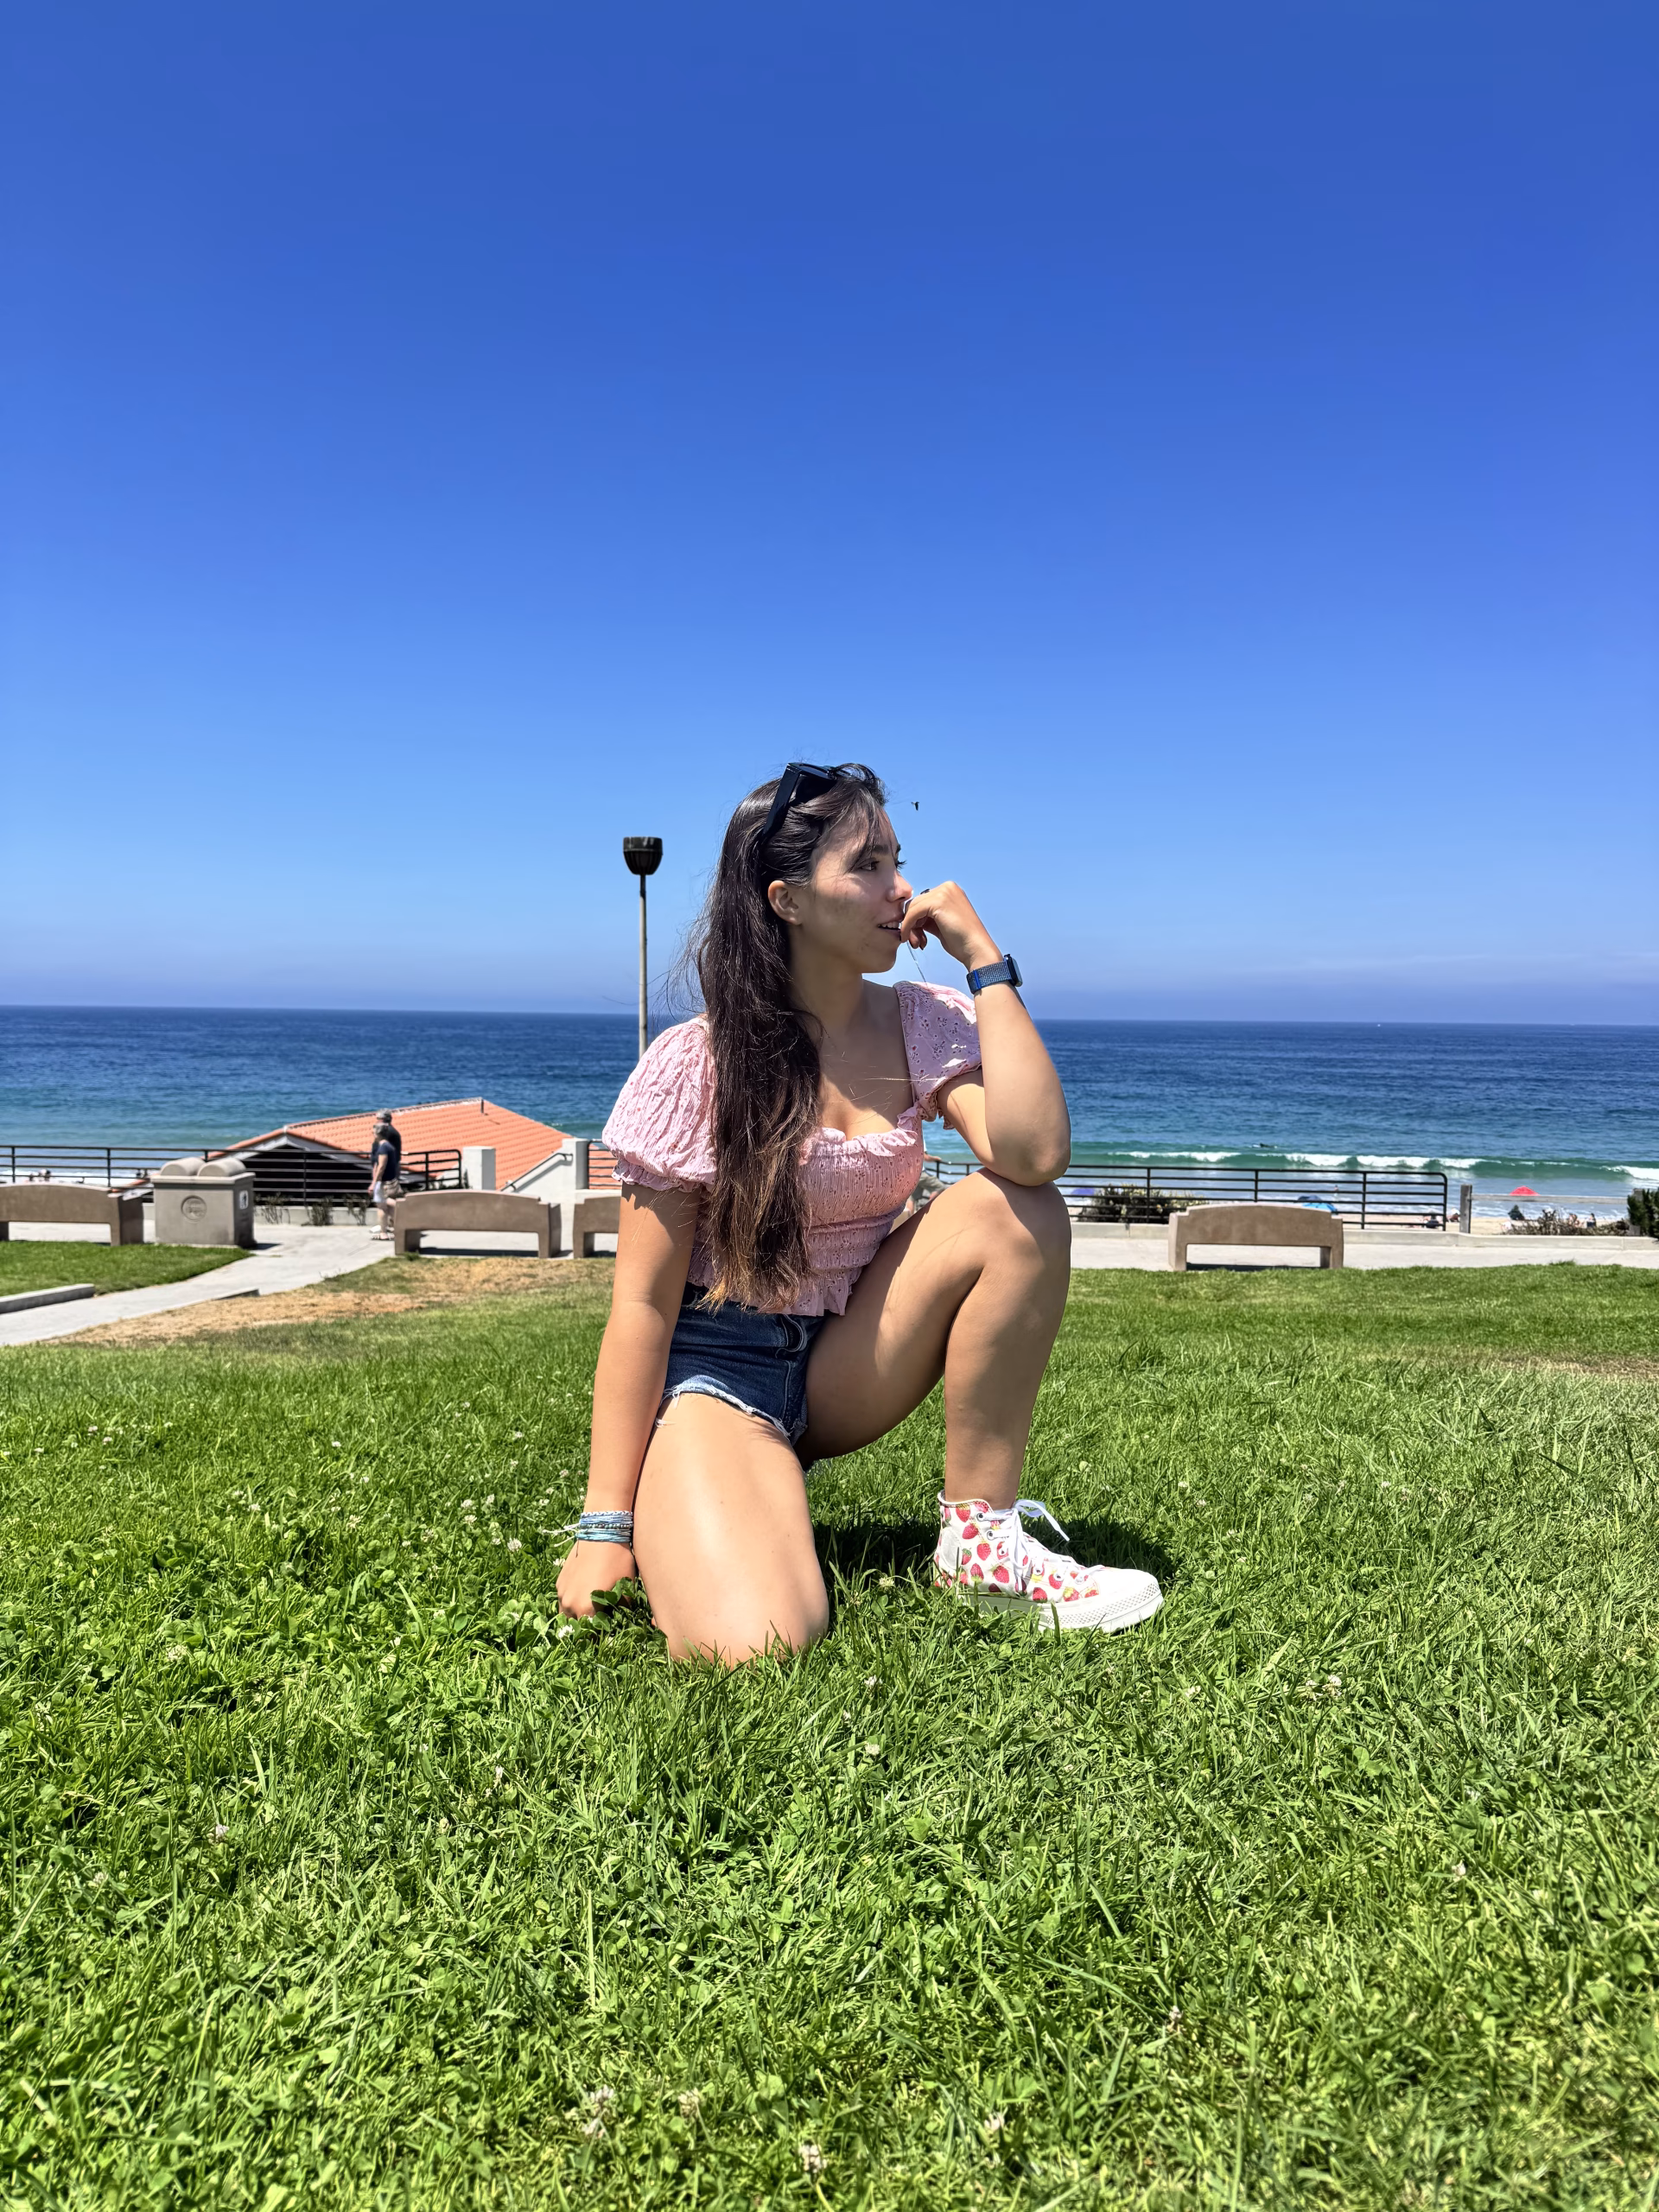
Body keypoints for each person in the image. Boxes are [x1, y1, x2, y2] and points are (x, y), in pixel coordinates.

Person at [556, 763, 1164, 1664]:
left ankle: (981, 1545)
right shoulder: (697, 1063)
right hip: (720, 1373)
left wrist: (986, 963)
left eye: (897, 860)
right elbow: (642, 1307)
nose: (901, 888)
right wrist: (603, 1526)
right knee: (758, 1643)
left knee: (1018, 1207)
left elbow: (1035, 1154)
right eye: (868, 866)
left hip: (847, 1360)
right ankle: (704, 1486)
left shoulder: (920, 1022)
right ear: (789, 901)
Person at [368, 1109, 402, 1239]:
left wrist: (374, 1182)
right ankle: (392, 1227)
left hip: (384, 1178)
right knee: (385, 1204)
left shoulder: (385, 1143)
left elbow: (381, 1165)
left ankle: (384, 1230)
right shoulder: (393, 1135)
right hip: (389, 1176)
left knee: (382, 1204)